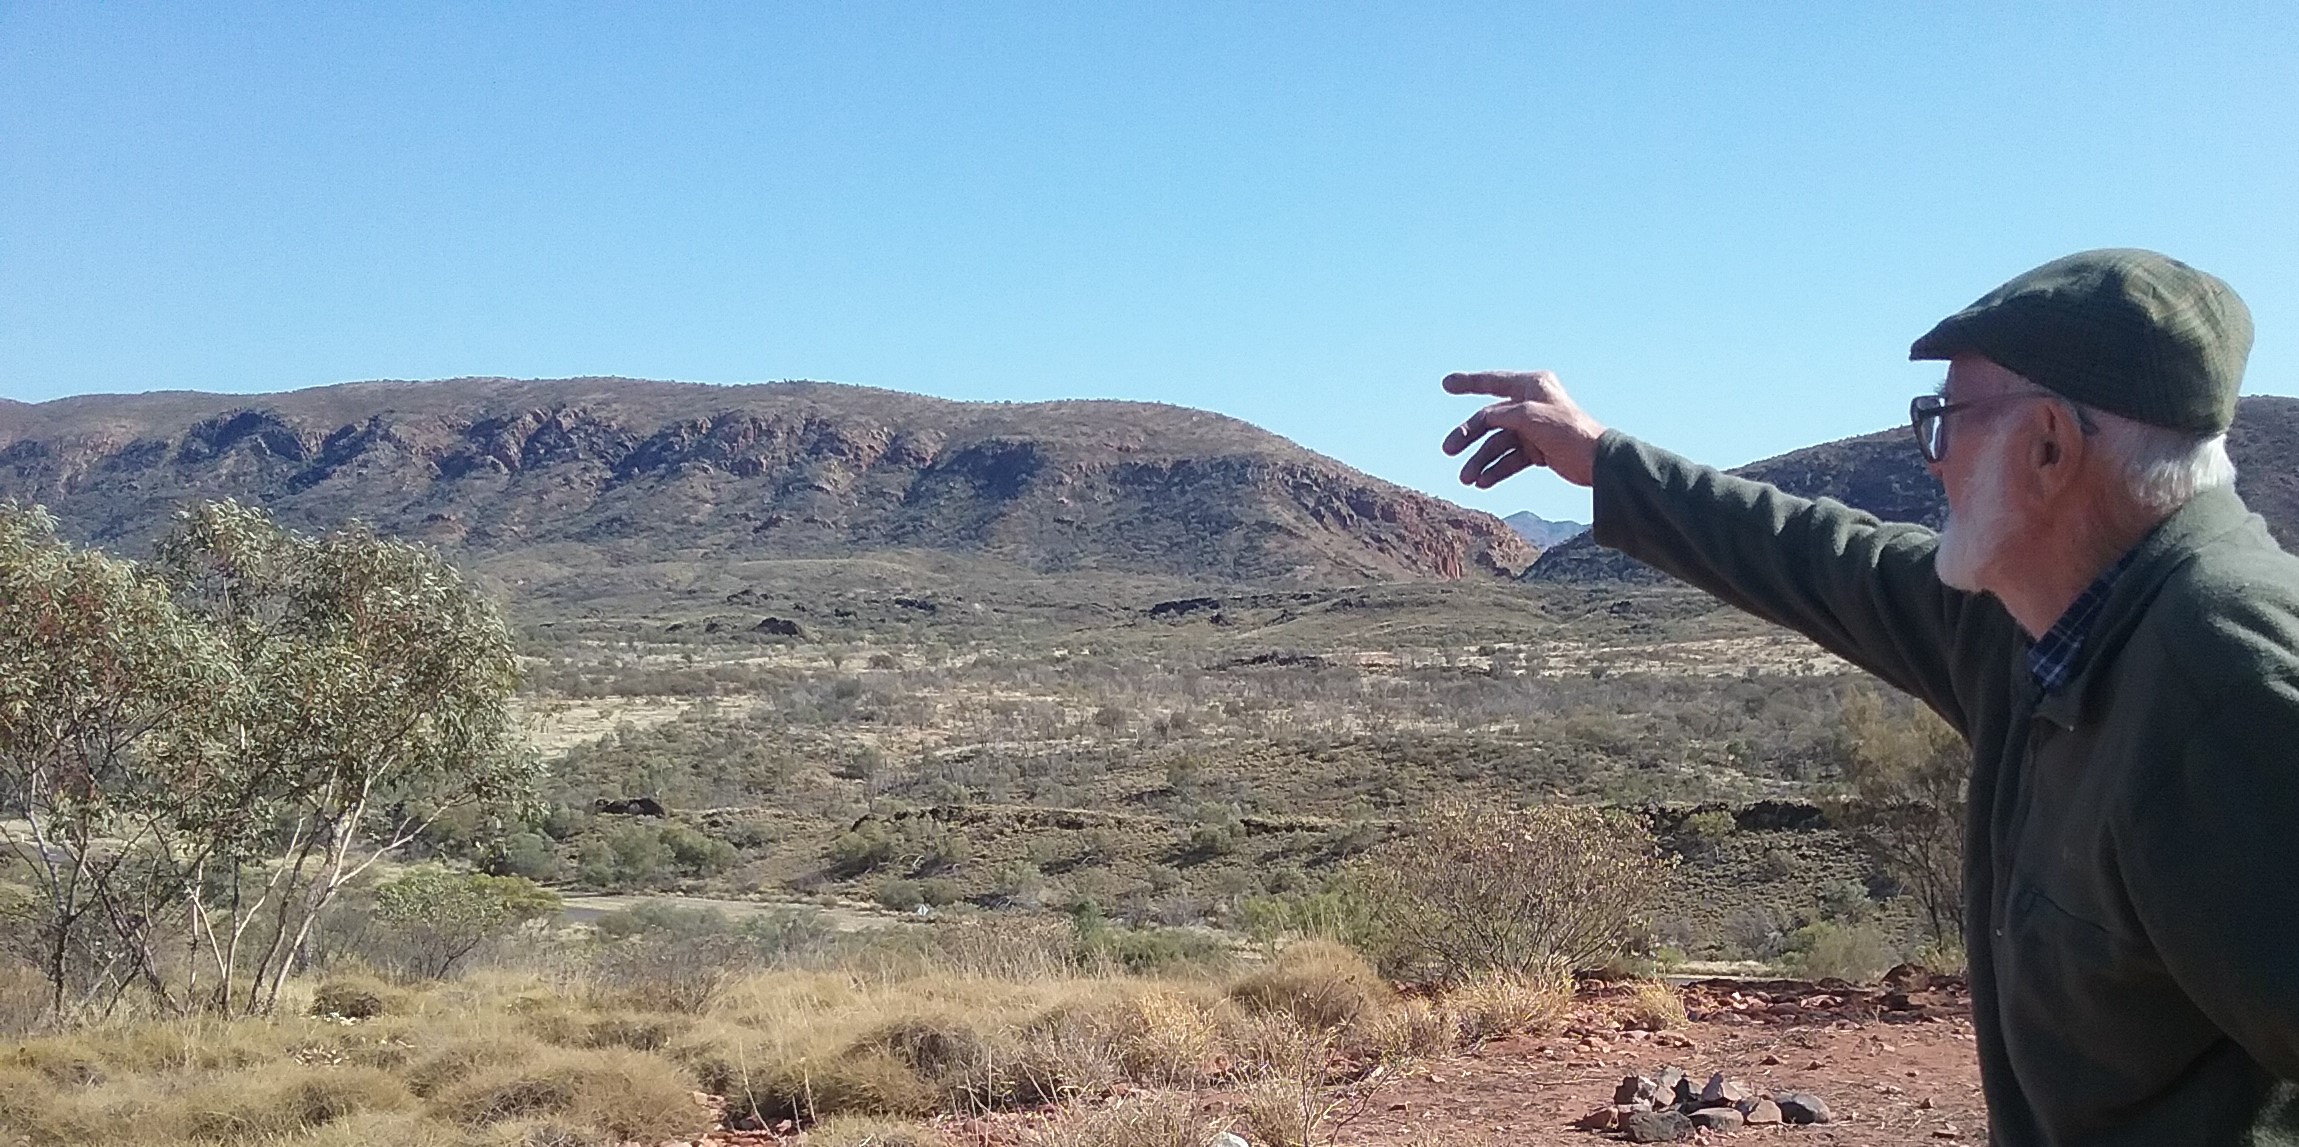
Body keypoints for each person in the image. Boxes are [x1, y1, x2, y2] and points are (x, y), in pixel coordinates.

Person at [1442, 248, 2299, 1146]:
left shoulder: (2227, 682)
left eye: (1943, 421)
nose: (1930, 462)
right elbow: (1821, 557)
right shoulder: (2041, 621)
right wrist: (1607, 461)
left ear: (2047, 445)